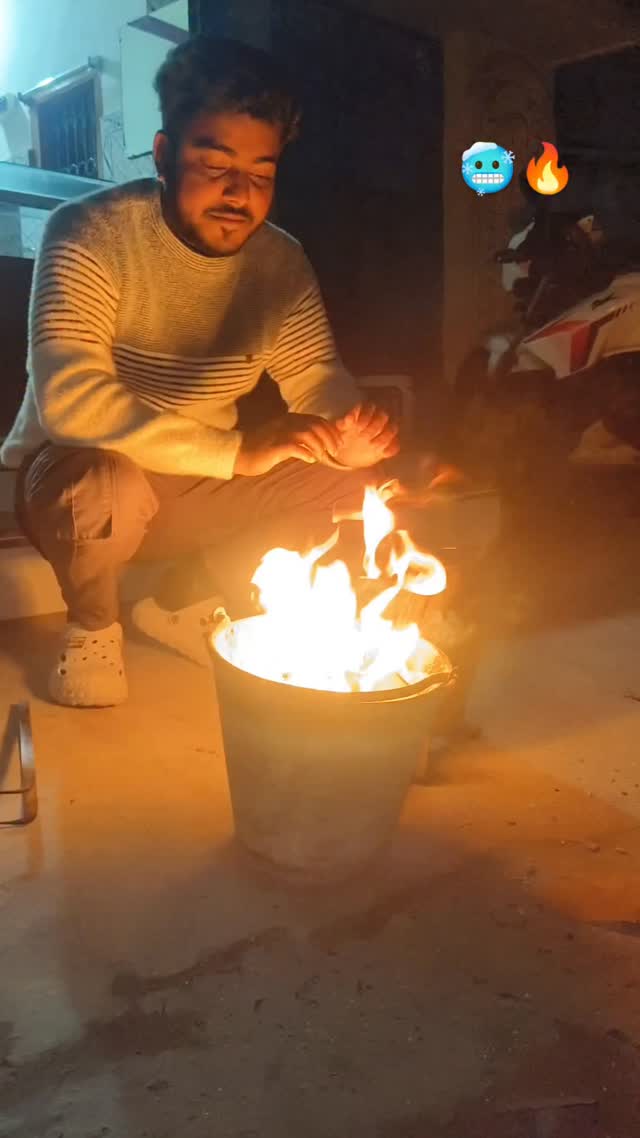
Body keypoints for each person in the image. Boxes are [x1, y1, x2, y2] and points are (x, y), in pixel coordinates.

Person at [0, 36, 399, 708]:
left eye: (262, 174)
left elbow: (316, 376)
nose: (239, 193)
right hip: (76, 478)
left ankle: (182, 600)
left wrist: (349, 434)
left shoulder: (279, 263)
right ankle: (93, 627)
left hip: (197, 485)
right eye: (214, 166)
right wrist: (239, 451)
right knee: (104, 485)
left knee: (346, 482)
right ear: (163, 155)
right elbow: (70, 402)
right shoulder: (90, 231)